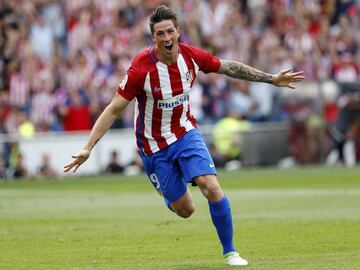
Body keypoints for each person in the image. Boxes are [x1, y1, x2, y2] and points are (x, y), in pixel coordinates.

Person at [64, 5, 305, 266]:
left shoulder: (191, 57)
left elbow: (229, 68)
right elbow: (113, 109)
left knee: (211, 187)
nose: (166, 38)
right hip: (154, 147)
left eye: (170, 31)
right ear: (153, 38)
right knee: (186, 210)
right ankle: (170, 192)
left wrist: (271, 79)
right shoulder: (140, 69)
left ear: (178, 32)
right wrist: (88, 147)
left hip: (185, 132)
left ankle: (231, 252)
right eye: (160, 34)